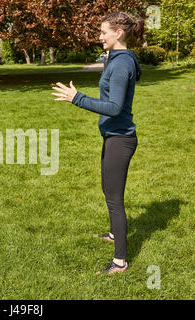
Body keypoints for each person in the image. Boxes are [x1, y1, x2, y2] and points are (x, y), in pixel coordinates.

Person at [52, 12, 144, 274]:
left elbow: (114, 107)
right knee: (107, 188)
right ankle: (116, 233)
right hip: (113, 136)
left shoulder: (121, 63)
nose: (100, 36)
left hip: (120, 138)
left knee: (114, 198)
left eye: (104, 32)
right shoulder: (119, 59)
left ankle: (120, 262)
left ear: (118, 33)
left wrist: (76, 98)